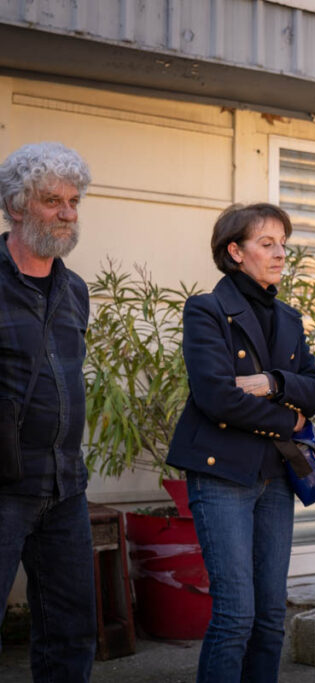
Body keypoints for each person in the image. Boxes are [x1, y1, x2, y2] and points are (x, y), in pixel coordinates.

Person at [166, 203, 315, 682]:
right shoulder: (207, 309)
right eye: (267, 243)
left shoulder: (289, 317)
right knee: (235, 615)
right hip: (223, 473)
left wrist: (271, 381)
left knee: (270, 617)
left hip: (276, 476)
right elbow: (216, 396)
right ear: (235, 251)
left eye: (283, 243)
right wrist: (290, 420)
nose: (281, 253)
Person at [0, 142, 96, 682]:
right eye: (51, 200)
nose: (66, 213)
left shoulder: (75, 289)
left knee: (70, 632)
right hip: (3, 487)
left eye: (73, 201)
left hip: (66, 488)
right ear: (16, 205)